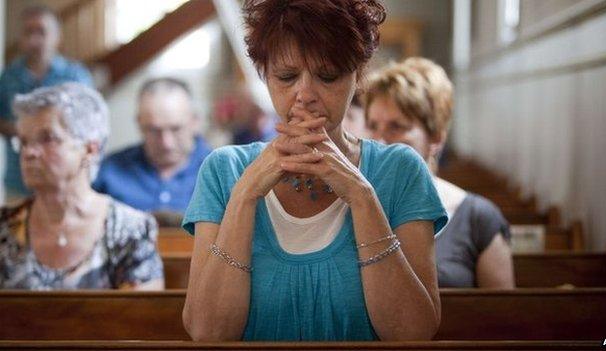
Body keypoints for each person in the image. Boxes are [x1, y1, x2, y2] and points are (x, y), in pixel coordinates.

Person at [182, 0, 447, 341]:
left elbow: (413, 333)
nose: (304, 95)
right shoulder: (224, 170)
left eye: (327, 76)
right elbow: (208, 333)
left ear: (358, 76)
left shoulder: (401, 170)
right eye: (286, 76)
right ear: (264, 74)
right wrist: (245, 194)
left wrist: (362, 196)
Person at [364, 57, 515, 288]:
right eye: (373, 126)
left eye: (397, 127)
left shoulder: (477, 217)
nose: (379, 140)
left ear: (435, 137)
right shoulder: (355, 204)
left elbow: (502, 317)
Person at [0, 83, 164, 290]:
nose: (29, 152)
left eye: (47, 139)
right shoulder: (4, 227)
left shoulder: (130, 230)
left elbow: (142, 317)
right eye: (24, 142)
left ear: (90, 149)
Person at [0, 5, 93, 200]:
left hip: (65, 181)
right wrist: (29, 132)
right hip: (18, 181)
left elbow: (89, 125)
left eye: (41, 31)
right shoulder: (7, 77)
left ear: (57, 36)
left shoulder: (76, 76)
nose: (35, 39)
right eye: (28, 32)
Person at [93, 78, 211, 225]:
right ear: (139, 124)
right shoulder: (108, 172)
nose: (166, 143)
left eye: (176, 129)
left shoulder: (222, 174)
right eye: (154, 131)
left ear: (195, 121)